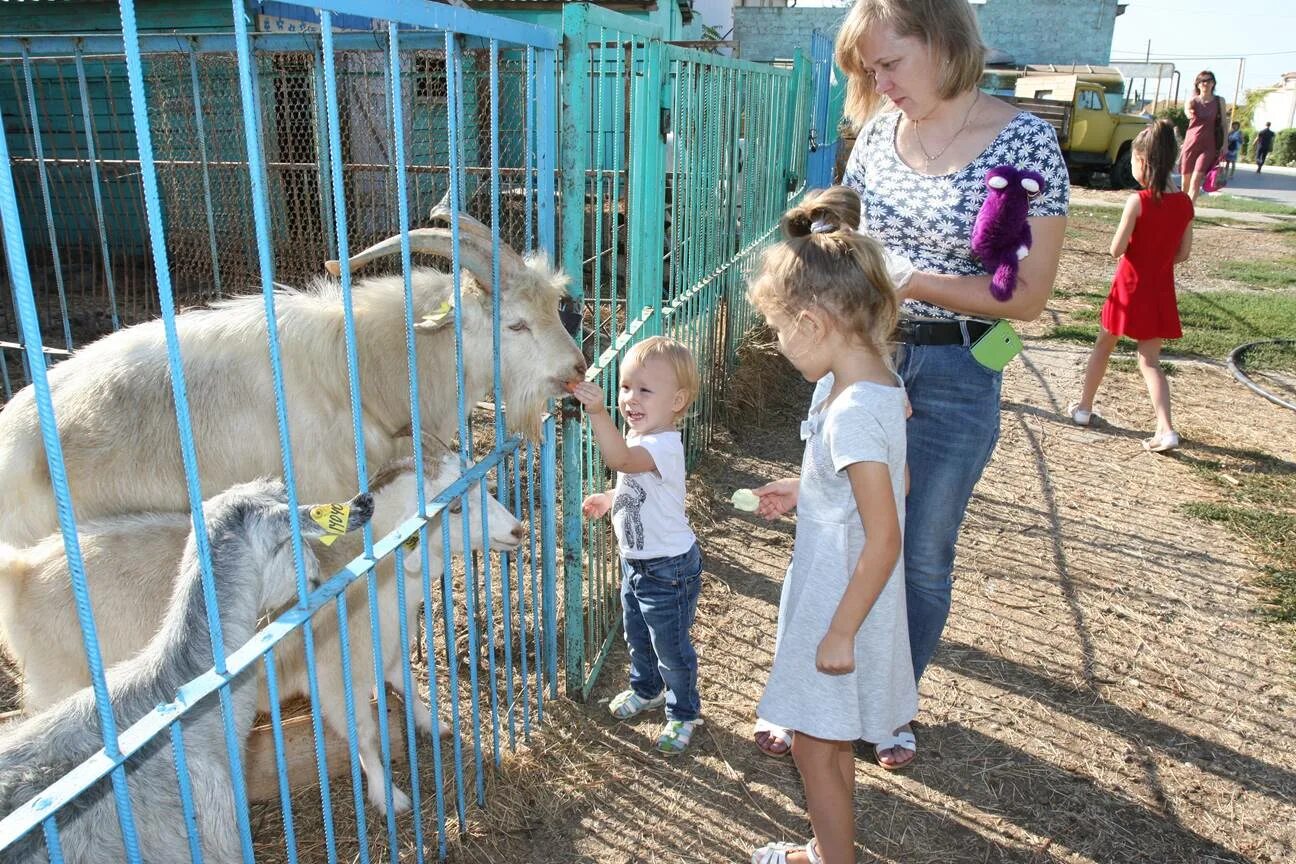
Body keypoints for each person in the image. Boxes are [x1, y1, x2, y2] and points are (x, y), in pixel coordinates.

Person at [827, 0, 1068, 770]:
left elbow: (1026, 295)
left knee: (921, 551)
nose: (880, 82)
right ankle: (828, 688)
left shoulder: (1026, 140)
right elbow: (847, 245)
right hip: (869, 359)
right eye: (869, 70)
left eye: (890, 63)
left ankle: (888, 705)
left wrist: (913, 281)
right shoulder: (875, 134)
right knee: (844, 536)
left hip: (963, 367)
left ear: (941, 40)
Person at [748, 189, 915, 864]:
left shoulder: (850, 412)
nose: (780, 343)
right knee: (830, 738)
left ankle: (829, 859)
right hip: (843, 590)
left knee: (816, 747)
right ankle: (828, 848)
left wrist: (841, 629)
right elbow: (891, 486)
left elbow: (885, 535)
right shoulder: (871, 384)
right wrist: (804, 487)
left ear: (813, 322)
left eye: (780, 329)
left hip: (841, 602)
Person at [571, 336, 704, 755]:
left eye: (645, 390)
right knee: (637, 635)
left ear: (677, 400)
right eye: (626, 387)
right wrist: (611, 499)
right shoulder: (641, 437)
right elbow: (633, 482)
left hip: (668, 570)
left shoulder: (661, 444)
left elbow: (622, 461)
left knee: (671, 648)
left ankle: (683, 712)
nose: (631, 398)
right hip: (638, 566)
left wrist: (597, 412)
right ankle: (647, 690)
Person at [1067, 120, 1193, 454]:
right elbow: (1183, 253)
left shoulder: (1137, 201)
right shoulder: (1185, 203)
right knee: (1150, 361)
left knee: (1103, 347)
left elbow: (1116, 248)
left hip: (1127, 288)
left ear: (1143, 161)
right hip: (1159, 290)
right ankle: (1166, 428)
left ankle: (1083, 408)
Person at [1181, 71, 1226, 203]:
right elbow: (1187, 112)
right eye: (1202, 81)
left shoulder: (1219, 101)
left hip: (1208, 146)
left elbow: (1224, 123)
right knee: (1185, 183)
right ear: (1198, 84)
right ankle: (1181, 210)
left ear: (1213, 83)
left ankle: (1189, 213)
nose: (1206, 83)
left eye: (1209, 80)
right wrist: (1189, 111)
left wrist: (1225, 144)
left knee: (1195, 182)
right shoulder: (1192, 101)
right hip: (1190, 144)